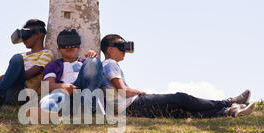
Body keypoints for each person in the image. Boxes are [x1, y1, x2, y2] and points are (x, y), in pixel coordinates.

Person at [100, 34, 255, 119]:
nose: (124, 50)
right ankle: (229, 102)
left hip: (127, 111)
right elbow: (122, 91)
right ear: (109, 50)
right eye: (121, 46)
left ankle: (230, 111)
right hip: (133, 105)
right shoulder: (109, 64)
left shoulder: (108, 65)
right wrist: (141, 92)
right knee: (180, 98)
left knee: (180, 112)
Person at [39, 29, 104, 115]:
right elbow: (48, 85)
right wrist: (63, 86)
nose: (69, 47)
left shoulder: (85, 63)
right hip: (64, 94)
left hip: (85, 93)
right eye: (65, 44)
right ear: (58, 49)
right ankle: (45, 112)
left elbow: (95, 80)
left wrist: (92, 59)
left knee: (94, 61)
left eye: (73, 43)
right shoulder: (53, 65)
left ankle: (84, 107)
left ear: (79, 47)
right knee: (55, 95)